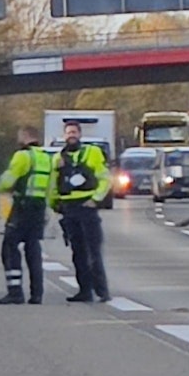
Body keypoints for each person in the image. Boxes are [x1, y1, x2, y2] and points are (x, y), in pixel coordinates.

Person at [0, 126, 54, 305]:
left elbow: (9, 178)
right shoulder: (45, 158)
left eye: (19, 135)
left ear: (26, 136)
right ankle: (37, 293)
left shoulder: (23, 156)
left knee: (9, 247)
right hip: (38, 207)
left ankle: (15, 291)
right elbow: (51, 185)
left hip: (22, 207)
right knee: (33, 249)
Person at [51, 121, 112, 303]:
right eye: (69, 132)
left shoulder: (92, 153)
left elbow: (105, 179)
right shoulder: (58, 159)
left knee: (93, 252)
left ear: (80, 134)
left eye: (75, 132)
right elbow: (53, 184)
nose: (72, 135)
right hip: (69, 209)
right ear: (64, 136)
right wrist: (54, 203)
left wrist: (96, 199)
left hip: (87, 208)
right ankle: (84, 291)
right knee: (78, 253)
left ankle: (102, 291)